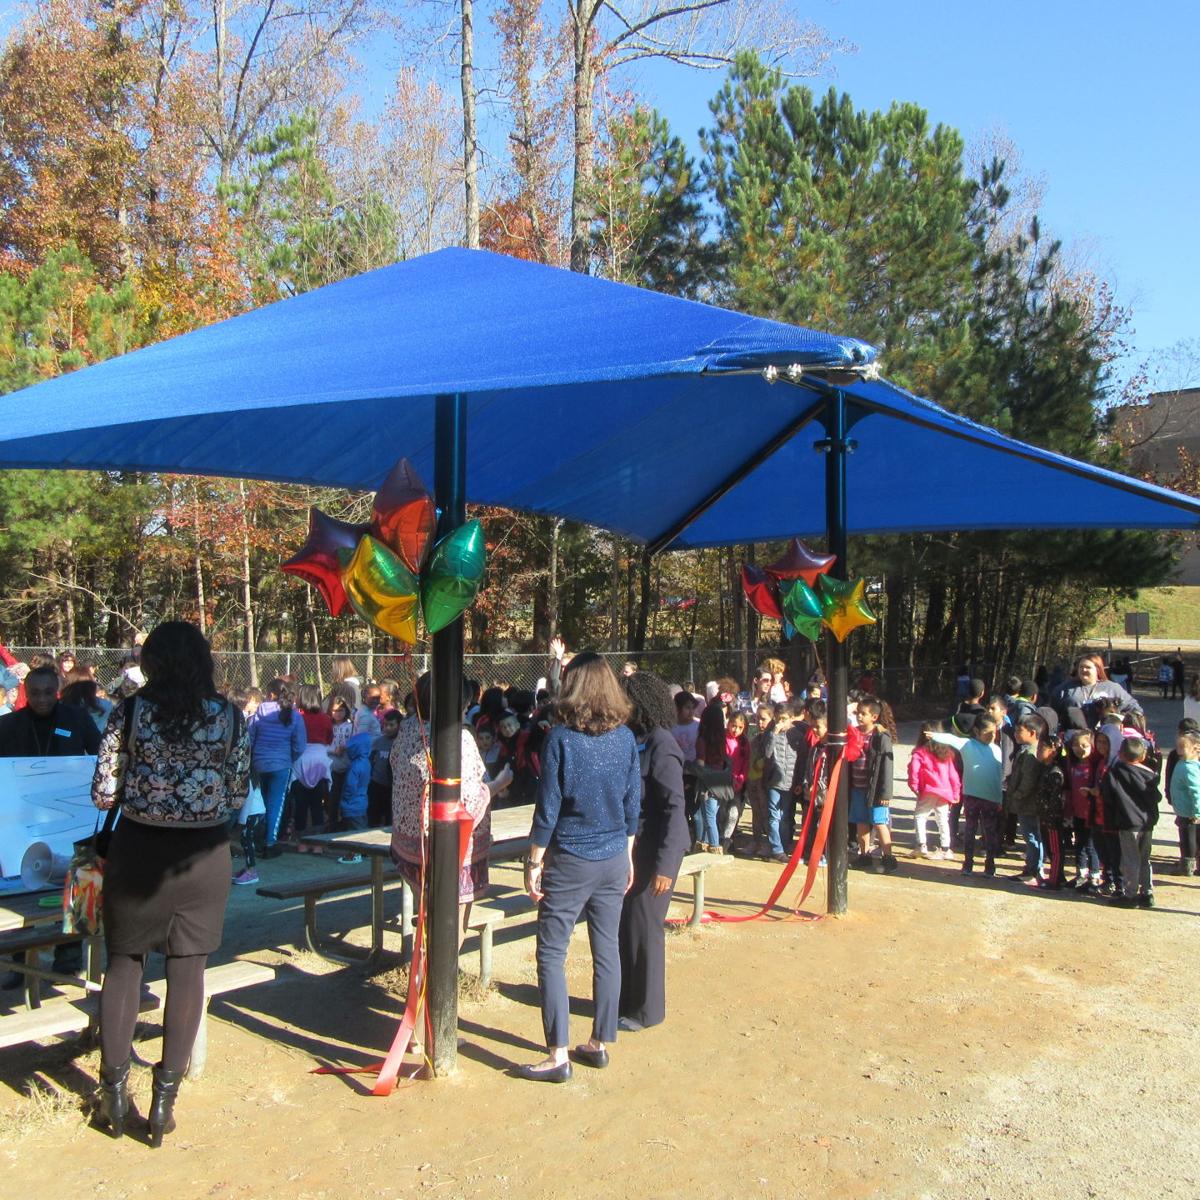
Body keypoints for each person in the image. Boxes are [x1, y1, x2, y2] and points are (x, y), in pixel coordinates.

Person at [90, 620, 249, 1145]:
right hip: (203, 855)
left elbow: (103, 793)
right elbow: (236, 794)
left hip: (139, 851)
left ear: (152, 662)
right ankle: (164, 1104)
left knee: (123, 964)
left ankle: (113, 1094)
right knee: (188, 970)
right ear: (204, 661)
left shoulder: (129, 713)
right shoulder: (229, 717)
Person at [520, 654, 641, 1083]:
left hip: (570, 858)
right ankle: (599, 1042)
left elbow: (547, 810)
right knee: (606, 949)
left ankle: (557, 1055)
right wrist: (627, 855)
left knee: (552, 953)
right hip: (612, 858)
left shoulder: (560, 740)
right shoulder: (625, 738)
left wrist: (532, 861)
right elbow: (632, 805)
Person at [390, 673, 511, 946]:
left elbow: (396, 766)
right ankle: (441, 981)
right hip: (451, 848)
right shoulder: (459, 739)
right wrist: (500, 783)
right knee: (450, 923)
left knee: (430, 914)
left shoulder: (409, 729)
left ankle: (427, 974)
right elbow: (468, 801)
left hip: (409, 844)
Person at [616, 671, 690, 1033]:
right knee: (627, 926)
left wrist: (666, 866)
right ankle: (625, 1001)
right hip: (634, 850)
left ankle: (648, 1010)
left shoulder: (663, 744)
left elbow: (675, 808)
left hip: (657, 850)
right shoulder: (633, 738)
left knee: (646, 928)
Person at [930, 716, 1004, 878]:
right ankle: (968, 863)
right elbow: (951, 738)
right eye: (987, 732)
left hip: (991, 797)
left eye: (994, 732)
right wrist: (934, 735)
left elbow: (998, 776)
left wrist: (1000, 798)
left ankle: (990, 865)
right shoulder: (968, 745)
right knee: (970, 829)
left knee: (990, 832)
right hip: (971, 796)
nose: (991, 735)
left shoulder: (997, 750)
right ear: (976, 731)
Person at [1100, 735, 1160, 909]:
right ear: (1142, 756)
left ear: (1120, 754)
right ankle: (1147, 893)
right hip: (1147, 823)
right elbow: (1156, 797)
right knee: (1144, 859)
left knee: (1130, 859)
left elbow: (1108, 796)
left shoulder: (1116, 772)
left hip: (1128, 822)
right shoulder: (1150, 774)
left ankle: (1130, 895)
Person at [248, 680, 306, 856]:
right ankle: (270, 843)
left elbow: (250, 737)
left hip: (259, 763)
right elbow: (300, 745)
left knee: (260, 803)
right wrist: (290, 757)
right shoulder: (294, 716)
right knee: (276, 804)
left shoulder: (259, 712)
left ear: (270, 694)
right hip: (281, 764)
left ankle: (255, 839)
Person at [0, 663, 102, 756]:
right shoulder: (6, 724)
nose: (42, 699)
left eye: (48, 692)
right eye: (35, 693)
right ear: (26, 693)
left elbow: (100, 754)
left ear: (56, 691)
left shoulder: (78, 718)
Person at [849, 697, 897, 873]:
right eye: (858, 713)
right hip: (857, 786)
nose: (859, 717)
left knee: (879, 822)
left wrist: (885, 794)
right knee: (861, 821)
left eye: (863, 714)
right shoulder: (853, 733)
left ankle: (888, 857)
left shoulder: (880, 736)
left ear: (874, 717)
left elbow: (886, 766)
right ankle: (864, 855)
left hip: (875, 789)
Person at [907, 722, 960, 859]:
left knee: (920, 816)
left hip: (928, 790)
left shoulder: (920, 752)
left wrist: (915, 786)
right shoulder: (946, 753)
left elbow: (914, 770)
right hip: (945, 791)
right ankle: (945, 848)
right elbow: (953, 775)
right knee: (942, 819)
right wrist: (956, 792)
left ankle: (921, 845)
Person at [1006, 714, 1049, 884]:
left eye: (1019, 730)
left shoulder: (1032, 754)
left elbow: (1028, 780)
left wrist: (1017, 795)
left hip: (1028, 804)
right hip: (1026, 803)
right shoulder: (1028, 750)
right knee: (1031, 835)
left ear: (1032, 733)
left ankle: (1034, 869)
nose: (1015, 733)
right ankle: (1032, 867)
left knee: (1032, 836)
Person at [1057, 653, 1142, 729]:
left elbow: (1135, 709)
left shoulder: (1112, 688)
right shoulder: (1066, 687)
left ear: (1097, 669)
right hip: (1075, 738)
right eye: (1081, 667)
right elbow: (1052, 709)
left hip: (1103, 739)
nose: (1083, 670)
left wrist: (1116, 719)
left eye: (1088, 667)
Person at [1064, 731, 1101, 891]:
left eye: (1084, 746)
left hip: (1091, 813)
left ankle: (1094, 877)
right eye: (1075, 745)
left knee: (1091, 846)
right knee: (1079, 843)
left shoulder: (1093, 767)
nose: (1079, 749)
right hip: (1077, 812)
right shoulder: (1072, 765)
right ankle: (1081, 873)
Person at [1168, 727, 1200, 877]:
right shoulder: (1183, 763)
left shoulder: (1190, 768)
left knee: (1189, 841)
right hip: (1184, 811)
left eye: (1183, 747)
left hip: (1190, 813)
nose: (1179, 750)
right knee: (1188, 839)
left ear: (1195, 748)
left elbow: (1196, 792)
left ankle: (1188, 867)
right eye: (1178, 746)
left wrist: (1197, 811)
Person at [367, 709, 400, 828]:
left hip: (393, 787)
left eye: (391, 725)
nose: (388, 728)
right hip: (377, 784)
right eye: (385, 724)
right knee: (374, 815)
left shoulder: (400, 743)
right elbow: (371, 760)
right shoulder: (378, 742)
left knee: (390, 817)